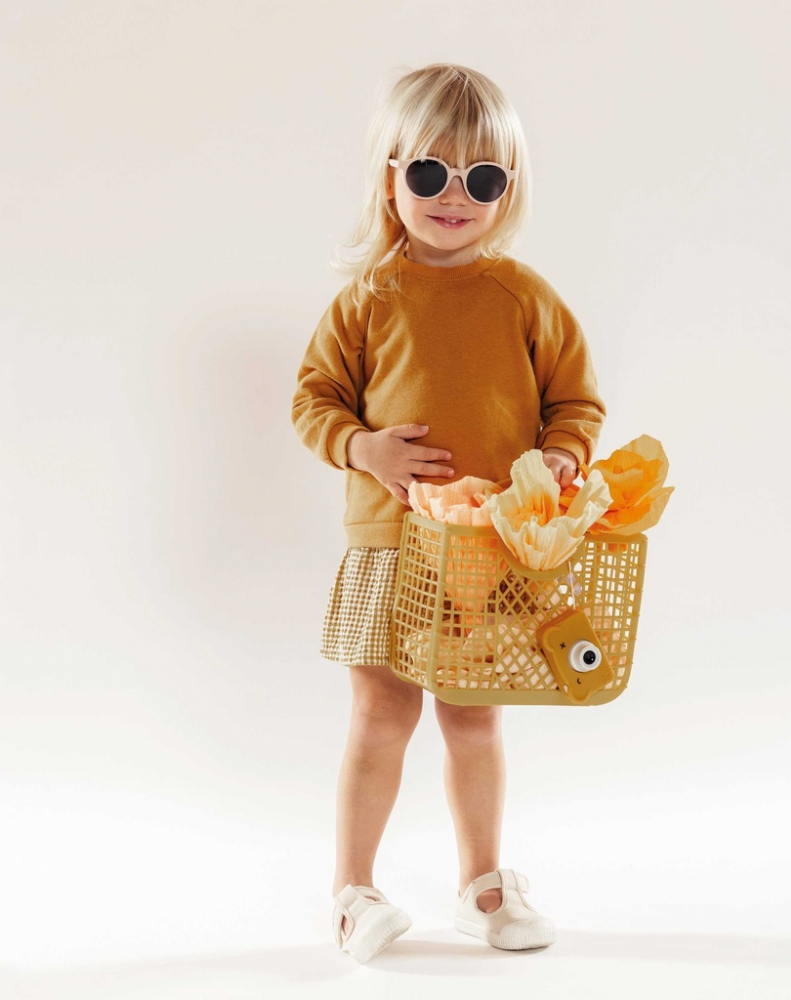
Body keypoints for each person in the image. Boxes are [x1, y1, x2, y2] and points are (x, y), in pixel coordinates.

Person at [291, 63, 605, 963]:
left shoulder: (526, 299)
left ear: (511, 186)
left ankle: (483, 883)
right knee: (380, 716)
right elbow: (314, 400)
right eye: (430, 173)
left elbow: (576, 404)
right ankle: (353, 893)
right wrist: (364, 449)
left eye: (483, 177)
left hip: (488, 552)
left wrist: (562, 455)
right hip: (391, 546)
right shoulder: (367, 299)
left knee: (473, 719)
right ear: (391, 177)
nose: (455, 196)